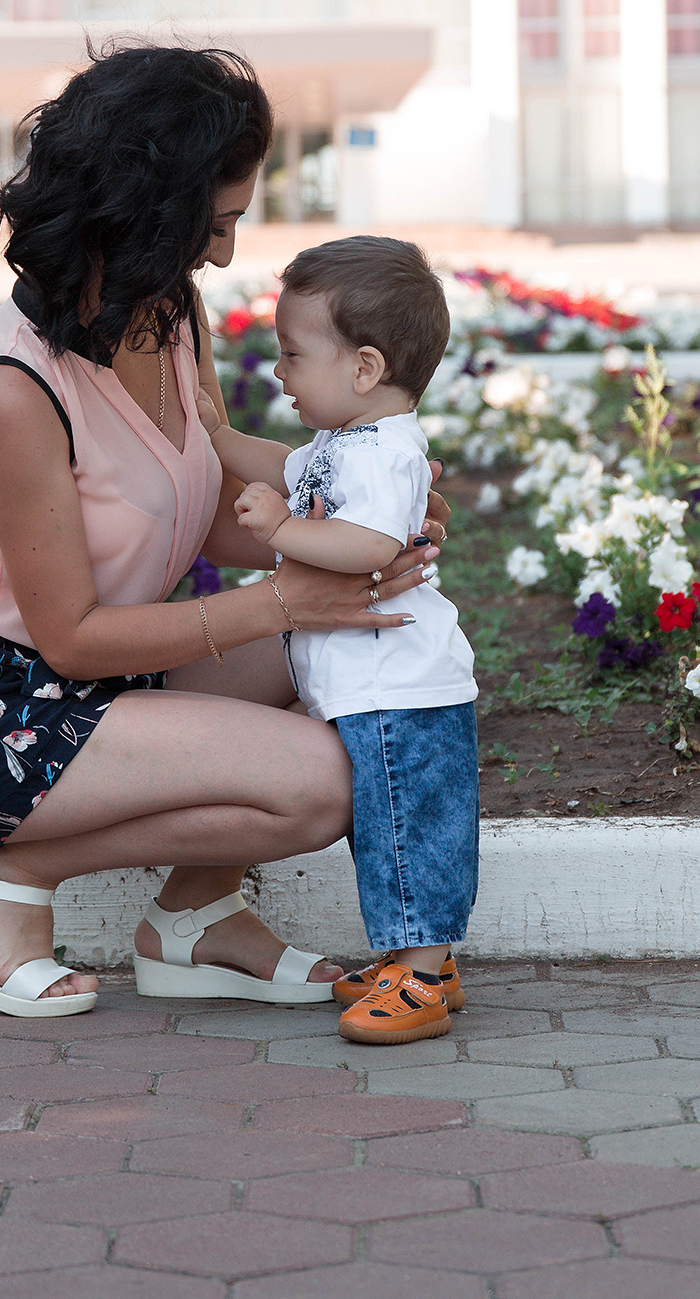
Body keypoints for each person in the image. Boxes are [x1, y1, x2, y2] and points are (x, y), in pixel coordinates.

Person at [0, 45, 448, 1018]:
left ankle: (196, 917)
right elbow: (69, 635)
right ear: (146, 210)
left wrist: (355, 530)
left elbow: (198, 516)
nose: (227, 254)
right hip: (0, 713)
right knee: (324, 783)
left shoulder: (168, 312)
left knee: (353, 631)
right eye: (218, 222)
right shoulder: (9, 388)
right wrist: (285, 592)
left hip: (116, 680)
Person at [201, 236, 478, 1046]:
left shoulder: (388, 453)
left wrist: (284, 529)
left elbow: (368, 548)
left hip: (403, 684)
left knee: (408, 829)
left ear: (363, 368)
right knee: (388, 828)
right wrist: (216, 437)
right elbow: (282, 464)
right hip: (372, 684)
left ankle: (425, 976)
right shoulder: (343, 443)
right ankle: (414, 963)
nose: (279, 371)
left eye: (292, 354)